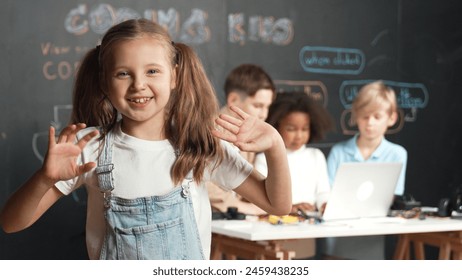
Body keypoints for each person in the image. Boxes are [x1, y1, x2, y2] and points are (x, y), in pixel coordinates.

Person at [0, 19, 291, 260]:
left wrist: (276, 146)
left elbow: (277, 205)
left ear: (174, 76)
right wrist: (43, 178)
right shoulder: (89, 147)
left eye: (152, 71)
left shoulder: (201, 146)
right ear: (104, 82)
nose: (139, 84)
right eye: (123, 73)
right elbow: (11, 223)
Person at [323, 80, 408, 259]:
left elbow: (391, 196)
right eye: (365, 116)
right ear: (355, 116)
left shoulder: (397, 154)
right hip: (337, 236)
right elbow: (327, 194)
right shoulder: (339, 152)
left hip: (372, 238)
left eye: (377, 117)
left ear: (391, 118)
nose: (370, 123)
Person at [253, 91, 334, 259]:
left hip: (307, 231)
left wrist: (325, 204)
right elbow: (260, 200)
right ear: (276, 126)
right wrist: (291, 207)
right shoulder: (263, 158)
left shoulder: (315, 156)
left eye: (305, 129)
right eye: (291, 129)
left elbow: (322, 191)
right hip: (273, 232)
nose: (299, 135)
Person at [207, 64, 276, 216]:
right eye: (258, 106)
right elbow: (201, 180)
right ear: (233, 99)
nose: (264, 114)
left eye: (267, 107)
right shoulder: (208, 130)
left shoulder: (248, 135)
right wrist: (240, 206)